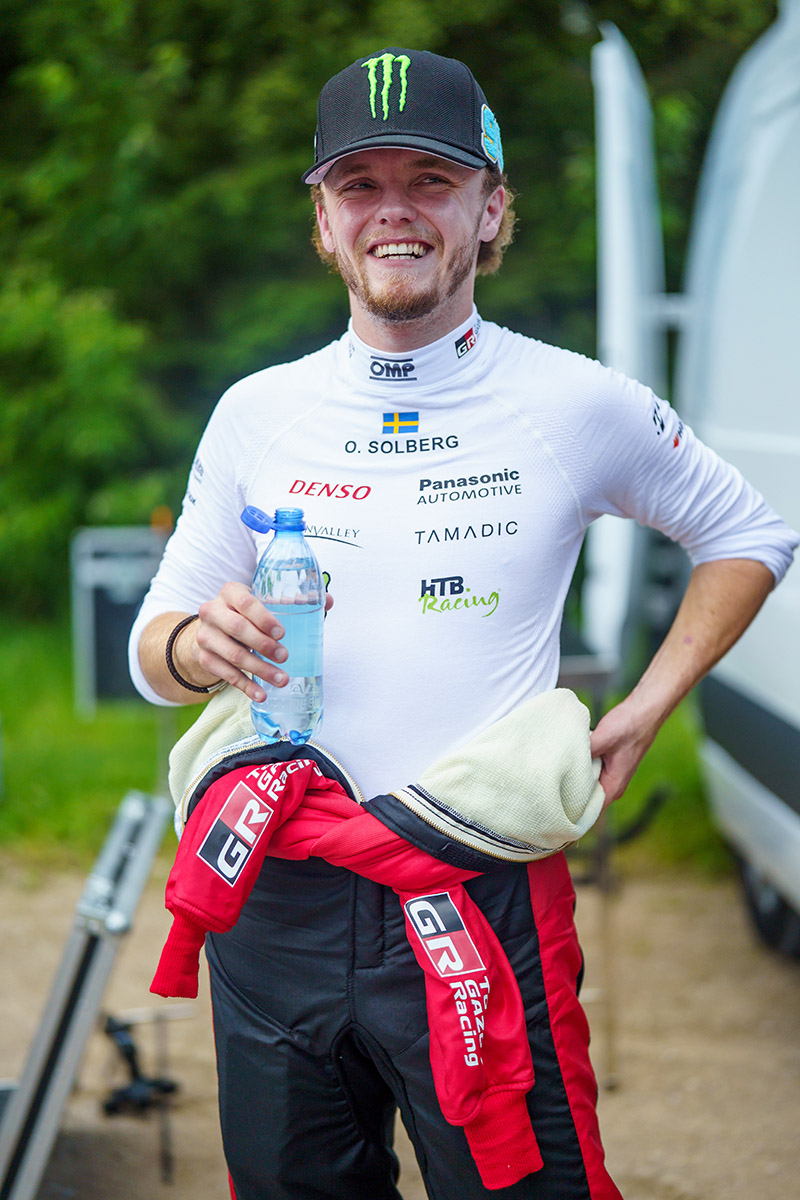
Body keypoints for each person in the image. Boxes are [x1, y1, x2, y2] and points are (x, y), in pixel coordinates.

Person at [130, 47, 797, 1200]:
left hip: (475, 883)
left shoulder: (573, 400)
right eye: (359, 184)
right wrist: (194, 648)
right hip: (278, 895)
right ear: (324, 222)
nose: (393, 210)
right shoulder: (257, 412)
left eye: (429, 180)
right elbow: (154, 648)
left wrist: (645, 710)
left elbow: (747, 535)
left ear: (488, 209)